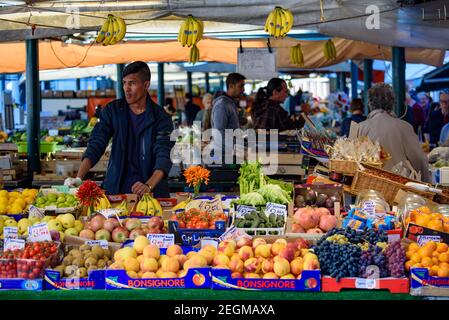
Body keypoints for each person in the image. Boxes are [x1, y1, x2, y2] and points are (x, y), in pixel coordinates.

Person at [67, 61, 174, 198]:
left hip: (152, 193)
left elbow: (164, 154)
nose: (126, 89)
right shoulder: (113, 111)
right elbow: (97, 143)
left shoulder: (161, 118)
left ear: (146, 85)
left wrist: (148, 186)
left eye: (132, 83)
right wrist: (79, 178)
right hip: (116, 190)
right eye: (124, 83)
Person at [358, 83, 430, 182]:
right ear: (393, 102)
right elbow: (419, 160)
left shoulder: (359, 127)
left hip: (367, 188)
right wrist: (427, 184)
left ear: (369, 103)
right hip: (399, 189)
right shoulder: (404, 127)